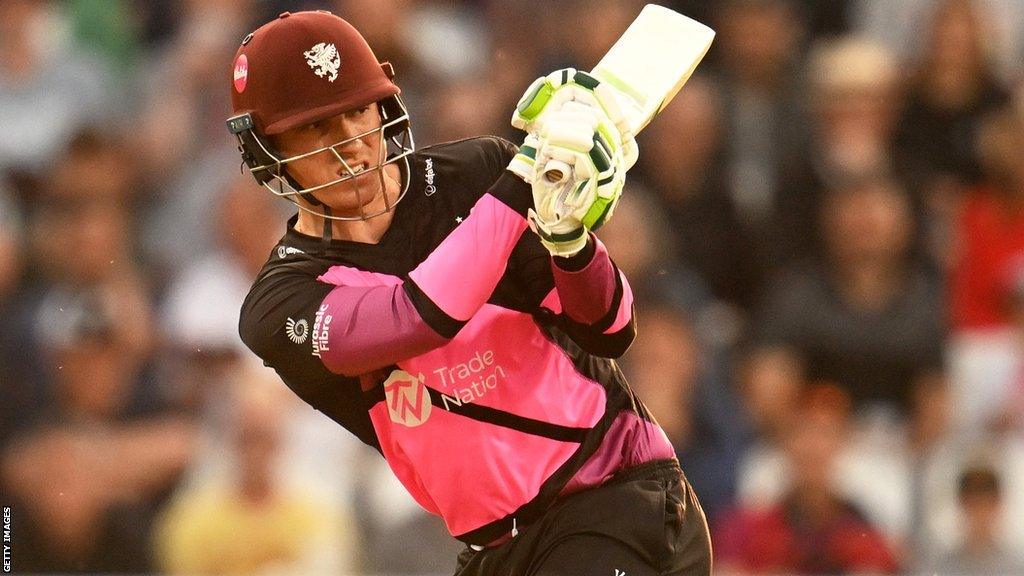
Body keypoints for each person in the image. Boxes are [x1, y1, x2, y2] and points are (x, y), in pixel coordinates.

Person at [227, 10, 711, 576]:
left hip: (614, 499)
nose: (351, 144)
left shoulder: (477, 170)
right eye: (315, 128)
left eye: (357, 110)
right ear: (267, 151)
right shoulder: (278, 304)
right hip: (497, 549)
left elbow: (610, 329)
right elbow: (415, 315)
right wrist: (525, 175)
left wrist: (570, 243)